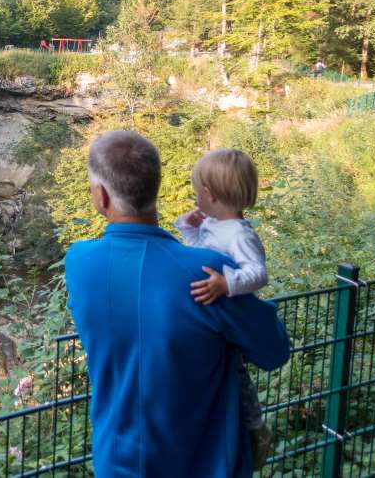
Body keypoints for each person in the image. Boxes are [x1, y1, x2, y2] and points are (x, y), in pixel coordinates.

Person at [64, 131, 289, 478]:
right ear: (155, 187)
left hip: (116, 460)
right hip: (205, 462)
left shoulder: (79, 263)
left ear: (101, 196)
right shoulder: (205, 271)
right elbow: (274, 350)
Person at [175, 148, 272, 466]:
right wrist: (188, 229)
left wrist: (225, 284)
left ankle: (254, 429)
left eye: (197, 194)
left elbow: (258, 273)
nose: (195, 199)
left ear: (211, 195)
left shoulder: (239, 234)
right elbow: (199, 257)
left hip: (228, 325)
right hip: (210, 323)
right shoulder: (214, 225)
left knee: (237, 378)